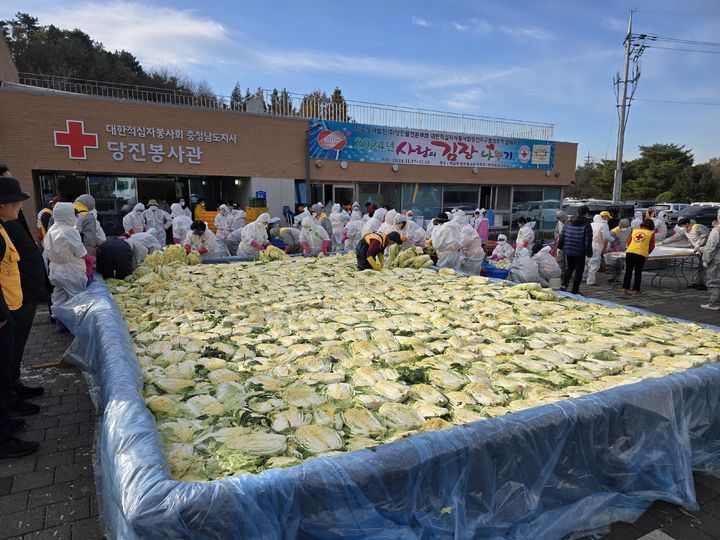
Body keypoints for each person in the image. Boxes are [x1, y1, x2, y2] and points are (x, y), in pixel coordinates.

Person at [0, 178, 40, 458]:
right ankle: (2, 438)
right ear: (3, 205)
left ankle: (8, 408)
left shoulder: (3, 227)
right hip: (2, 314)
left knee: (6, 368)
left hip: (11, 308)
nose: (20, 205)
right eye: (16, 201)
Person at [43, 202, 93, 311]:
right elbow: (79, 250)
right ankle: (76, 325)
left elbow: (46, 249)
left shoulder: (52, 229)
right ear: (68, 215)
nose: (76, 217)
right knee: (77, 300)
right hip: (71, 271)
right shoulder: (70, 230)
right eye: (74, 214)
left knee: (59, 298)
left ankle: (60, 323)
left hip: (55, 270)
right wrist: (89, 259)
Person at [662, 218, 710, 290]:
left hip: (706, 250)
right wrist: (664, 242)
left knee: (704, 267)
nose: (682, 227)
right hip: (699, 250)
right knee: (700, 267)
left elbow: (706, 236)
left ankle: (704, 284)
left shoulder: (698, 227)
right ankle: (698, 283)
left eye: (682, 226)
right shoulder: (685, 230)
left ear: (687, 223)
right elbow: (677, 237)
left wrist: (699, 244)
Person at [558, 205, 593, 295]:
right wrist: (589, 253)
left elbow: (562, 235)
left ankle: (563, 286)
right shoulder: (586, 224)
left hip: (568, 249)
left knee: (569, 268)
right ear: (586, 214)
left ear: (577, 212)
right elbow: (588, 240)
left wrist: (560, 246)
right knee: (579, 271)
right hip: (579, 251)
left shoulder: (568, 222)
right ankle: (575, 291)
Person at [621, 219, 656, 297]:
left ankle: (624, 290)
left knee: (628, 272)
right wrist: (647, 253)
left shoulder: (635, 231)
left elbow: (629, 242)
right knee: (638, 273)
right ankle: (635, 291)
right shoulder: (651, 233)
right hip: (640, 254)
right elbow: (652, 246)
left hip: (629, 252)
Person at [585, 211, 612, 286]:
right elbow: (606, 237)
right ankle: (590, 281)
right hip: (597, 246)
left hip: (587, 244)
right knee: (594, 264)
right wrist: (612, 239)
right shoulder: (604, 225)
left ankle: (583, 278)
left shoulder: (590, 224)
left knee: (586, 262)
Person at [701, 209, 720, 310]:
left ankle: (714, 303)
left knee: (714, 281)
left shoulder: (717, 230)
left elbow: (711, 246)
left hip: (716, 260)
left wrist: (706, 260)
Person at [605, 218, 632, 283]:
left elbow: (631, 238)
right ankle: (611, 279)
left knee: (620, 265)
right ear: (620, 225)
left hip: (623, 250)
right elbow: (614, 243)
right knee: (612, 265)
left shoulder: (630, 229)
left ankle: (617, 278)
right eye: (623, 227)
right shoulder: (614, 231)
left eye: (627, 227)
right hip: (613, 250)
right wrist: (619, 252)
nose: (625, 228)